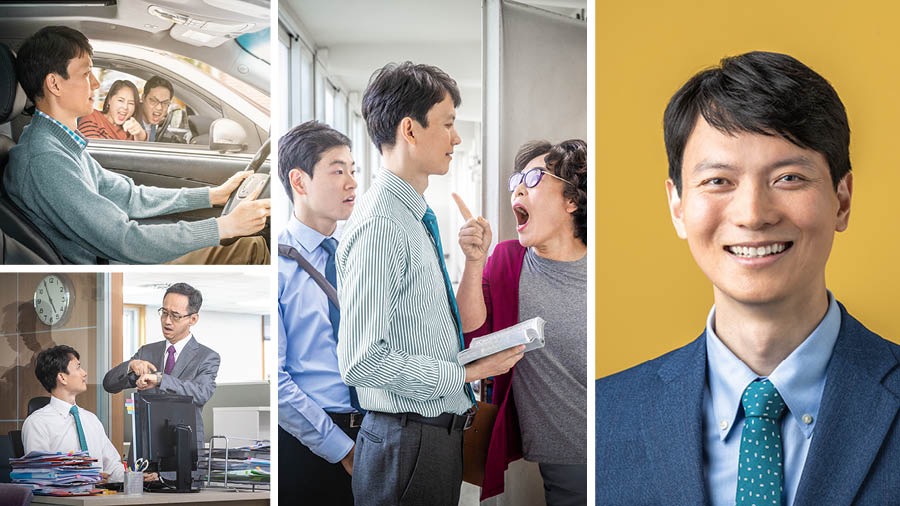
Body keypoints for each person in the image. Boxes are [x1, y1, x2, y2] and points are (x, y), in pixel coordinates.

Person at [595, 51, 900, 505]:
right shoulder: (605, 416)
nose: (753, 215)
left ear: (842, 199)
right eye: (718, 181)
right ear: (677, 206)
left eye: (789, 177)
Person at [336, 61, 525, 506]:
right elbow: (361, 360)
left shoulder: (413, 215)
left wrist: (474, 261)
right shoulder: (383, 224)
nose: (456, 138)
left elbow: (441, 327)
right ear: (410, 129)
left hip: (429, 439)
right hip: (408, 441)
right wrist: (467, 371)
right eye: (448, 123)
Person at [5, 26, 270, 264]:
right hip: (116, 265)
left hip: (118, 258)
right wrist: (224, 227)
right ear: (54, 83)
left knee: (249, 242)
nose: (96, 84)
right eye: (87, 73)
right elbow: (125, 240)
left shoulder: (61, 144)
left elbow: (129, 196)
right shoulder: (45, 159)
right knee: (251, 248)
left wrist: (212, 195)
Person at [455, 139, 588, 505]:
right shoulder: (508, 261)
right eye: (517, 179)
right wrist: (474, 262)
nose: (518, 187)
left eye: (533, 177)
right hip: (563, 460)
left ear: (572, 200)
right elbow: (469, 334)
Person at [277, 120, 360, 504]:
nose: (351, 183)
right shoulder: (275, 265)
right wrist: (339, 447)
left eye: (353, 171)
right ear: (300, 181)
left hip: (375, 431)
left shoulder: (359, 258)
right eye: (338, 170)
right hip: (310, 439)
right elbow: (275, 382)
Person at [103, 282, 219, 459]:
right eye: (164, 312)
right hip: (145, 449)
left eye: (175, 316)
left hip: (182, 449)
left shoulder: (207, 357)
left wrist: (160, 379)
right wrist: (130, 365)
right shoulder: (146, 352)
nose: (167, 321)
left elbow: (201, 393)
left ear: (193, 319)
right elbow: (109, 384)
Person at [22, 345, 125, 482]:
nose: (84, 373)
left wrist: (135, 479)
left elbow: (112, 465)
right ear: (62, 377)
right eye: (78, 367)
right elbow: (41, 473)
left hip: (100, 498)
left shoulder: (91, 419)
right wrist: (88, 478)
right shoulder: (37, 422)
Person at [77, 79, 146, 141]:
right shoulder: (93, 117)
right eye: (120, 100)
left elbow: (141, 145)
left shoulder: (130, 130)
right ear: (109, 100)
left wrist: (140, 133)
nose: (125, 107)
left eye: (131, 103)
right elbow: (91, 151)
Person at [139, 76, 172, 142]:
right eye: (153, 101)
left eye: (165, 103)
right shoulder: (130, 123)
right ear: (143, 98)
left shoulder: (153, 122)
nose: (159, 108)